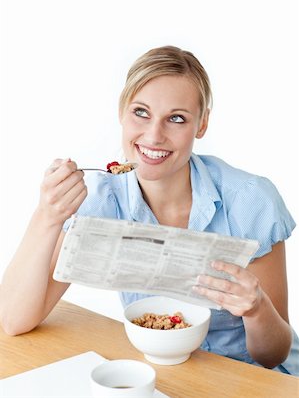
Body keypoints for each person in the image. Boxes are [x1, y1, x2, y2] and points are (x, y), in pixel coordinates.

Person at [0, 46, 298, 376]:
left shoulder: (251, 201)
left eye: (176, 118)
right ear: (121, 113)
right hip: (164, 374)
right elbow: (14, 320)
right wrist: (47, 215)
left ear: (202, 124)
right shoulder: (101, 200)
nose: (154, 136)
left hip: (250, 377)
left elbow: (274, 354)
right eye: (141, 112)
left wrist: (256, 309)